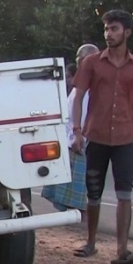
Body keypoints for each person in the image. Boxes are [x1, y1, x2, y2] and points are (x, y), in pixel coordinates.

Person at [70, 10, 133, 264]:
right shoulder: (91, 62)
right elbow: (79, 96)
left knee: (124, 193)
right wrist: (77, 130)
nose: (109, 34)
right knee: (93, 193)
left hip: (125, 138)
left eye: (114, 29)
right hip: (97, 136)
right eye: (106, 29)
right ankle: (90, 242)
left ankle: (122, 250)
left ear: (126, 32)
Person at [42, 44, 100, 214]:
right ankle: (74, 215)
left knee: (80, 185)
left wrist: (79, 134)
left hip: (80, 140)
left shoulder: (92, 85)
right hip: (73, 139)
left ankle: (79, 215)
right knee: (71, 186)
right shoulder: (81, 86)